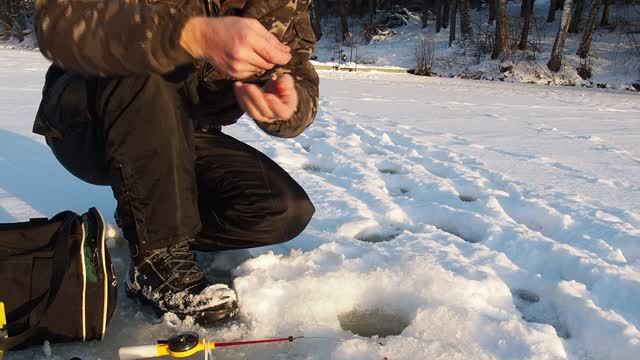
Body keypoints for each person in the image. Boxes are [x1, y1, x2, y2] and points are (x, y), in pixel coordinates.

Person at [32, 0, 319, 325]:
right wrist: (193, 36)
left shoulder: (286, 5)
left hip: (178, 134)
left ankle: (145, 221)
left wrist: (290, 107)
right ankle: (157, 255)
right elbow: (57, 21)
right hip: (87, 120)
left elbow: (299, 76)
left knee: (282, 211)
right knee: (150, 59)